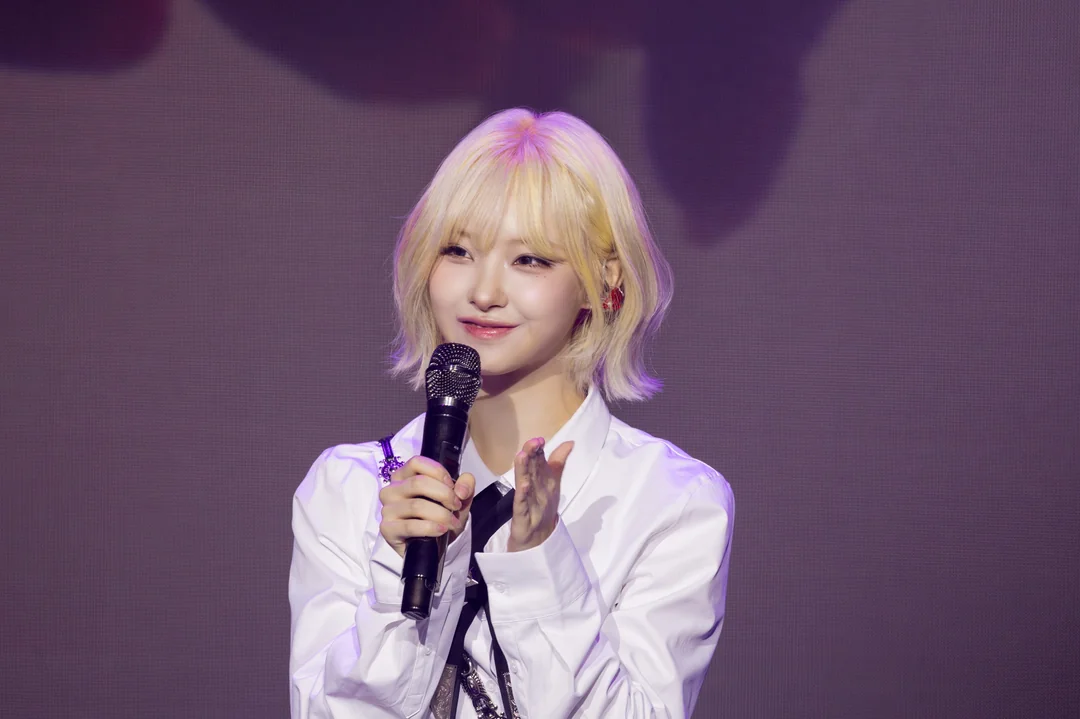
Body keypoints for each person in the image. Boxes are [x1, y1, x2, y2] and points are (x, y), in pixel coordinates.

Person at [288, 108, 734, 718]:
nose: (484, 292)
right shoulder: (350, 490)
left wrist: (541, 562)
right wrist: (399, 575)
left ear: (604, 280)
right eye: (457, 251)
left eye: (529, 260)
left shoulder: (671, 502)